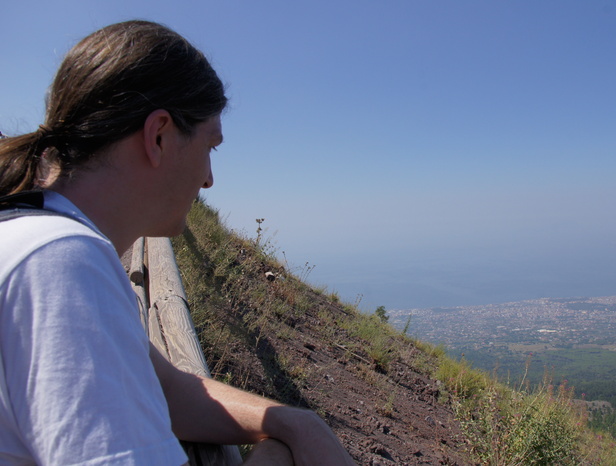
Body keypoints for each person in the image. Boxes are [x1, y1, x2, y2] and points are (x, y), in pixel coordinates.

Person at [0, 20, 355, 465]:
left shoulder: (33, 237)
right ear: (160, 136)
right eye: (211, 147)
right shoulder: (62, 264)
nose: (208, 178)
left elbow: (167, 390)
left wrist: (296, 423)